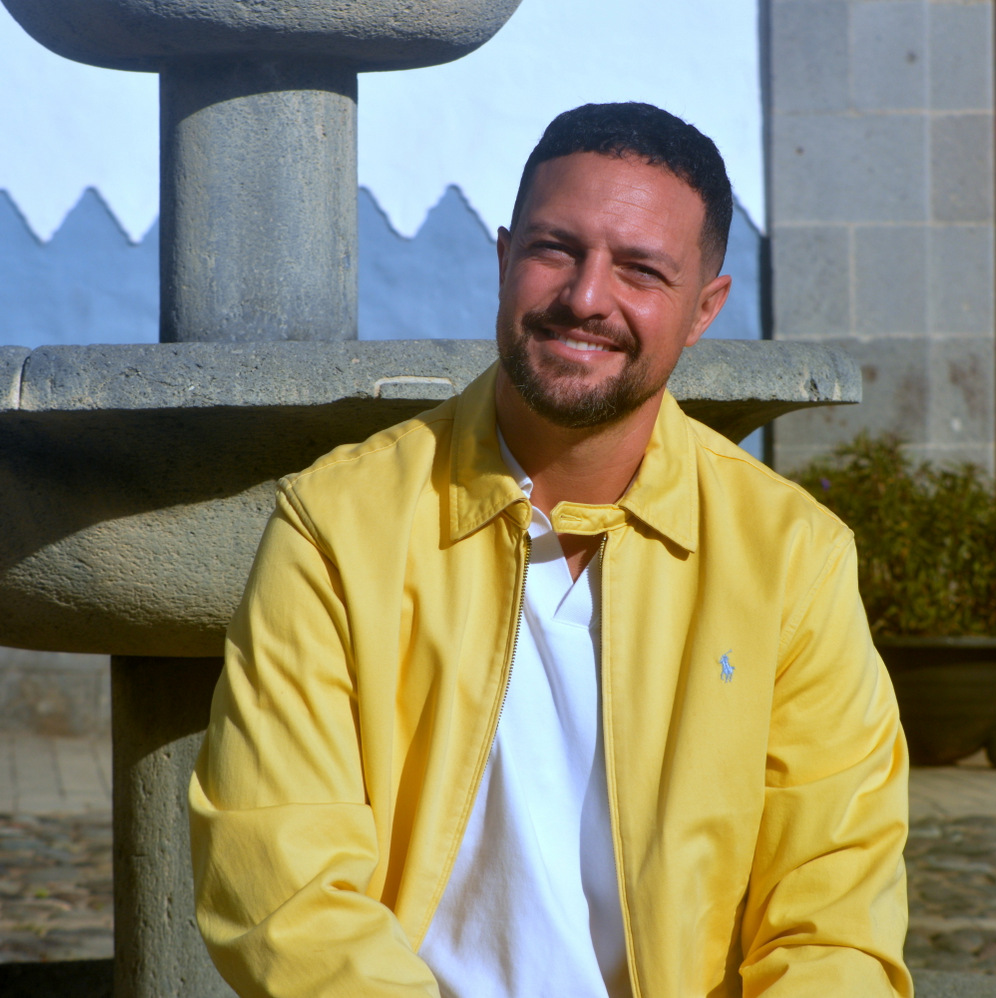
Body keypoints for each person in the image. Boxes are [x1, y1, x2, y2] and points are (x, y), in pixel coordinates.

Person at [189, 102, 911, 998]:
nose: (586, 297)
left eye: (641, 269)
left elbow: (834, 917)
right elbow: (281, 878)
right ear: (503, 260)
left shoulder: (791, 557)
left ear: (704, 309)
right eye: (555, 249)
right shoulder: (340, 525)